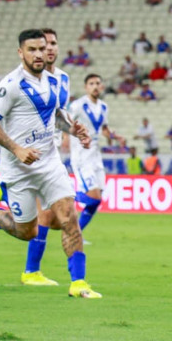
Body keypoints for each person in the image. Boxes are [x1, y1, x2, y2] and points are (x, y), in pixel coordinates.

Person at [0, 29, 101, 299]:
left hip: (50, 164)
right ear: (21, 52)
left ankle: (79, 283)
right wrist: (16, 149)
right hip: (19, 170)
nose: (40, 54)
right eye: (33, 49)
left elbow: (56, 116)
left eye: (43, 48)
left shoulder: (52, 81)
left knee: (68, 217)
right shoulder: (11, 84)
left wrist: (74, 130)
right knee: (27, 231)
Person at [68, 73, 123, 242]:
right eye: (91, 83)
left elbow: (104, 129)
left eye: (98, 83)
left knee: (97, 200)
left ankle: (75, 234)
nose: (95, 86)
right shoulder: (77, 105)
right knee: (93, 197)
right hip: (81, 156)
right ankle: (63, 196)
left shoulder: (103, 107)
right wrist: (73, 135)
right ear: (86, 87)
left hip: (96, 157)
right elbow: (66, 124)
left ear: (102, 86)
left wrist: (114, 136)